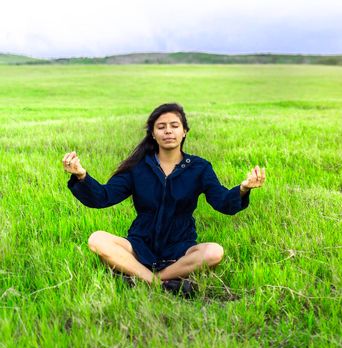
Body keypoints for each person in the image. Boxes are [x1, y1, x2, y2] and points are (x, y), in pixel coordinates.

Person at [62, 103, 265, 297]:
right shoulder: (138, 167)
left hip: (180, 248)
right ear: (153, 133)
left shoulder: (199, 167)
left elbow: (222, 202)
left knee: (214, 252)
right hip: (140, 245)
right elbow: (103, 197)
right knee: (97, 239)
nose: (168, 131)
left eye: (174, 126)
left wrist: (243, 188)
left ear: (184, 131)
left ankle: (142, 278)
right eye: (161, 127)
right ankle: (162, 283)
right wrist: (81, 176)